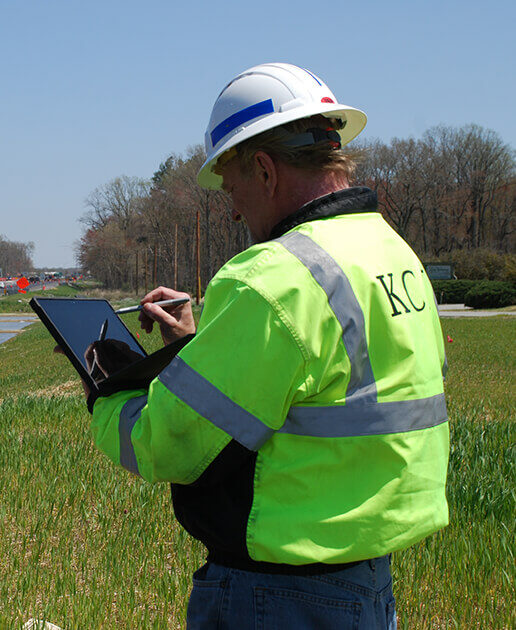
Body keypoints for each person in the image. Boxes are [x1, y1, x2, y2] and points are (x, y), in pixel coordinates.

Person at [70, 62, 449, 629]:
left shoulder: (273, 278)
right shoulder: (391, 252)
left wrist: (104, 387)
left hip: (278, 598)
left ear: (266, 171)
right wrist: (201, 347)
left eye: (233, 188)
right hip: (366, 584)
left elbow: (166, 444)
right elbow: (327, 388)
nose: (233, 210)